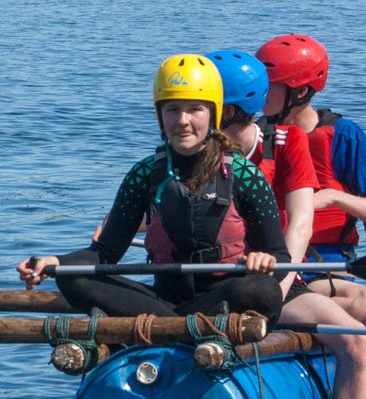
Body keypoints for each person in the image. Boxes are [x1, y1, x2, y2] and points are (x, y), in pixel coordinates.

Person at [17, 54, 288, 325]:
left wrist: (264, 261)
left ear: (214, 113)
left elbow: (279, 256)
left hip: (224, 296)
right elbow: (104, 254)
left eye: (194, 109)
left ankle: (168, 329)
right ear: (160, 115)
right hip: (162, 298)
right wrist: (56, 261)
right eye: (172, 109)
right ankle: (182, 328)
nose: (182, 120)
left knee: (263, 289)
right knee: (72, 276)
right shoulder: (144, 174)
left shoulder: (244, 174)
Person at [210, 49, 366, 399]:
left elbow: (300, 224)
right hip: (209, 282)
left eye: (205, 109)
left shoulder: (286, 141)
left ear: (232, 109)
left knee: (356, 340)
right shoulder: (184, 151)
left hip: (273, 279)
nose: (190, 120)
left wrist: (275, 291)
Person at [256, 34, 366, 325]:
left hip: (326, 264)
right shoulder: (253, 134)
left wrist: (332, 197)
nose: (259, 93)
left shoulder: (343, 135)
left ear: (301, 92)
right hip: (270, 261)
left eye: (269, 86)